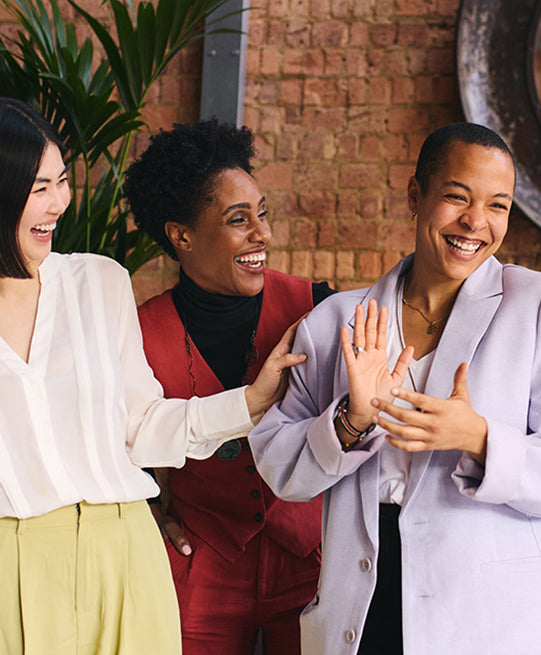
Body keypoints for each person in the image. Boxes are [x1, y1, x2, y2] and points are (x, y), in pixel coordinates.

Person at [249, 122, 541, 654]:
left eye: (497, 205)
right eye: (457, 197)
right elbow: (281, 468)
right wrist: (352, 422)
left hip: (491, 617)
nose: (476, 221)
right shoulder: (337, 321)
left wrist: (479, 438)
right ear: (415, 196)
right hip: (364, 605)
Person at [0, 100, 302, 654]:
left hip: (124, 551)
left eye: (62, 182)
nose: (60, 202)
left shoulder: (98, 283)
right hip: (10, 568)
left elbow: (141, 427)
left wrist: (250, 402)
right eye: (39, 187)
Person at [121, 120, 334, 654]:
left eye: (262, 213)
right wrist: (148, 511)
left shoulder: (317, 306)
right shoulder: (138, 332)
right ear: (182, 236)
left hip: (309, 562)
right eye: (239, 220)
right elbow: (113, 447)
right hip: (200, 565)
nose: (262, 233)